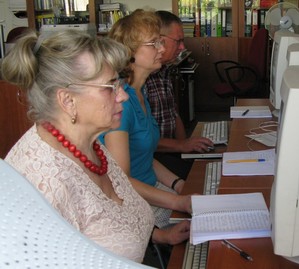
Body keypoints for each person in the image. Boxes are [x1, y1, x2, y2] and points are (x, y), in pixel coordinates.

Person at [1, 29, 190, 264]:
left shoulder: (89, 145)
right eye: (110, 86)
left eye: (119, 83)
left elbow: (115, 217)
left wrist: (161, 236)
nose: (122, 96)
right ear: (68, 100)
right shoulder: (44, 182)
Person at [99, 9, 191, 230]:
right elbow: (122, 182)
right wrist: (177, 200)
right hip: (136, 201)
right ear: (129, 52)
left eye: (161, 42)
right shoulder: (122, 104)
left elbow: (144, 156)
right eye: (153, 44)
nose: (161, 49)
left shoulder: (140, 93)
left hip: (151, 188)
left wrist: (177, 184)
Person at [145, 11, 214, 179]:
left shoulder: (165, 70)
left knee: (207, 166)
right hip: (153, 156)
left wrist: (186, 149)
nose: (182, 47)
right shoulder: (139, 81)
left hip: (171, 149)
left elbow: (173, 113)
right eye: (178, 41)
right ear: (158, 39)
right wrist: (181, 146)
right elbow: (141, 141)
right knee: (199, 178)